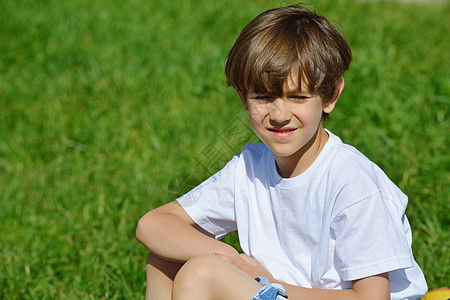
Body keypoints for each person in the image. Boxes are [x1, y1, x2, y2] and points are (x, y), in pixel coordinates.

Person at [135, 4, 428, 300]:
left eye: (298, 97)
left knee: (203, 272)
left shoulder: (351, 181)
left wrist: (272, 285)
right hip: (274, 291)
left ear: (330, 96)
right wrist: (229, 256)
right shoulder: (249, 168)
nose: (279, 114)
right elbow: (154, 224)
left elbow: (372, 298)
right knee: (167, 257)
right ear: (243, 98)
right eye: (263, 97)